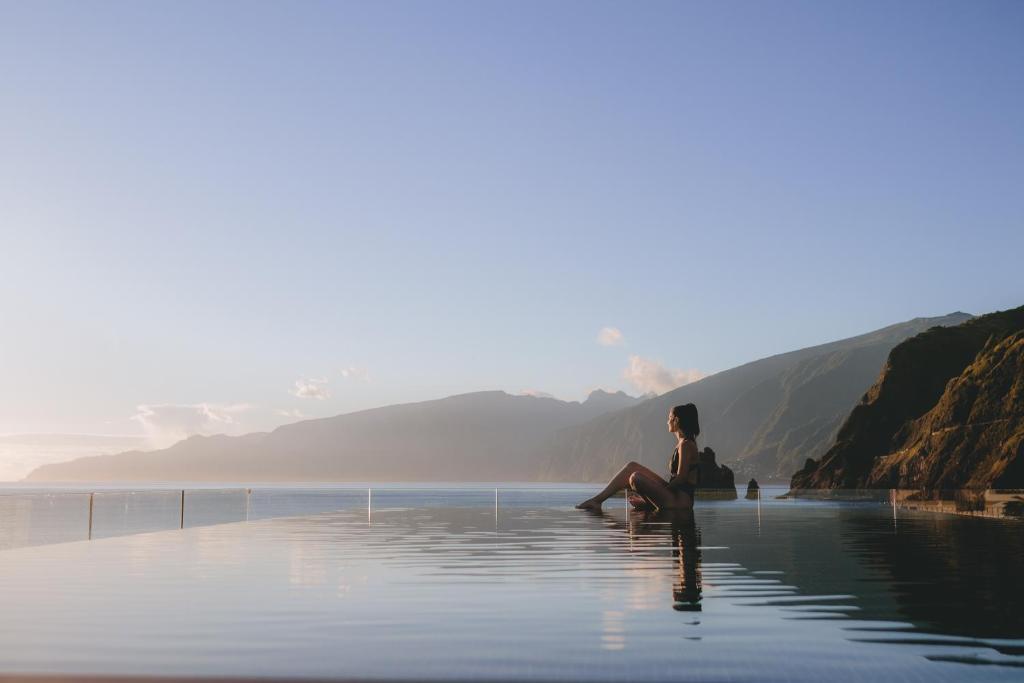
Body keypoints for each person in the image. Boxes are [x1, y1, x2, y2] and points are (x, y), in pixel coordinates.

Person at [575, 403, 701, 511]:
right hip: (673, 495)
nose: (667, 421)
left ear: (676, 420)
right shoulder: (682, 443)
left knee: (636, 478)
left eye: (669, 418)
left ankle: (649, 504)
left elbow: (682, 477)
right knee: (632, 467)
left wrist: (660, 490)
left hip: (680, 502)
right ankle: (597, 501)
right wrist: (658, 491)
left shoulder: (686, 444)